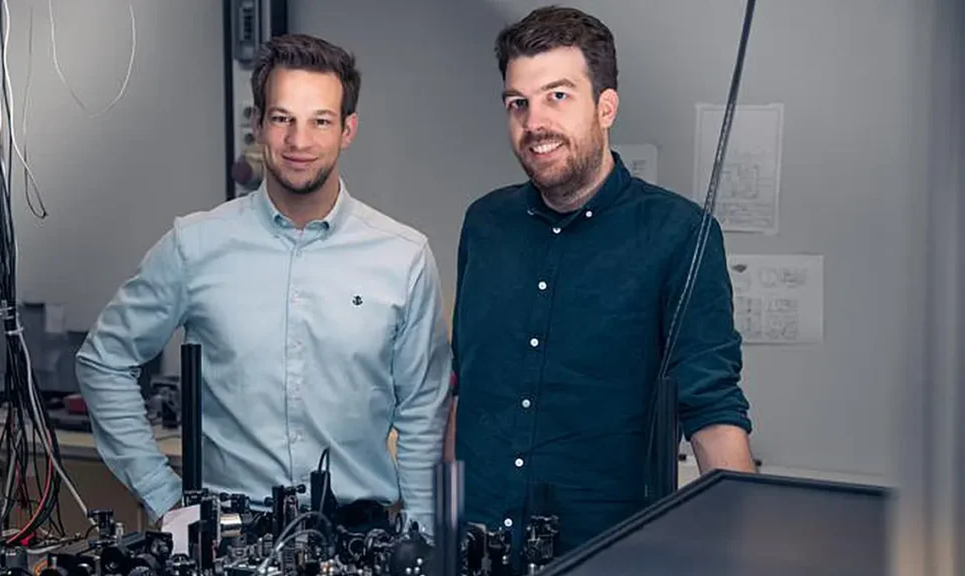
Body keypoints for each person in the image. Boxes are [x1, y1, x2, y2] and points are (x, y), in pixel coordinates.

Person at [76, 34, 452, 537]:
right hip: (229, 538)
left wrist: (423, 540)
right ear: (257, 125)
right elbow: (105, 360)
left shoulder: (403, 258)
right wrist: (165, 500)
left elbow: (424, 413)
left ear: (348, 130)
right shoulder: (195, 245)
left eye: (320, 120)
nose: (300, 141)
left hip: (359, 539)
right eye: (282, 119)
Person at [447, 6, 756, 556]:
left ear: (606, 106)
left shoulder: (680, 235)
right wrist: (446, 532)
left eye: (557, 96)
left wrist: (753, 552)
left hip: (610, 554)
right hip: (479, 549)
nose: (534, 122)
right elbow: (464, 390)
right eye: (518, 103)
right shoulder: (484, 225)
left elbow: (713, 410)